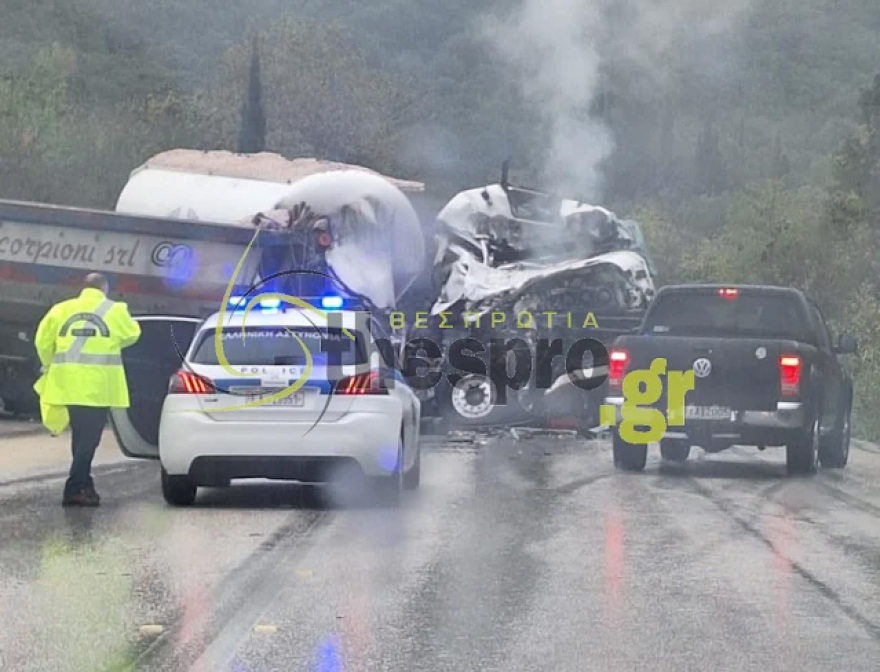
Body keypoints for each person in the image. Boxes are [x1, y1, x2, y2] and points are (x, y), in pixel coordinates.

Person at [34, 273, 141, 506]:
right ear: (104, 289)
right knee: (89, 439)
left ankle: (84, 483)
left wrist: (49, 363)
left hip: (67, 385)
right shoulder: (115, 310)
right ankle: (74, 487)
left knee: (81, 436)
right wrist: (113, 341)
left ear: (83, 287)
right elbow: (133, 334)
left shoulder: (61, 309)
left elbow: (42, 340)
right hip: (98, 386)